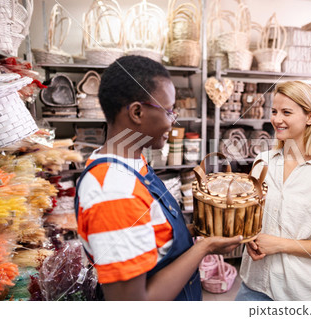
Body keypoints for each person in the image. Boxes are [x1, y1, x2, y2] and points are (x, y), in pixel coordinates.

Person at [75, 55, 242, 301]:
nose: (174, 119)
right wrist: (204, 248)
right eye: (169, 110)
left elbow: (153, 238)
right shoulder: (114, 190)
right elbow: (134, 304)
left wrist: (200, 230)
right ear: (137, 112)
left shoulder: (134, 163)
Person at [236, 81, 311, 301]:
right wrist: (248, 239)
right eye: (274, 111)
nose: (276, 119)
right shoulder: (262, 162)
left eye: (286, 112)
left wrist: (281, 245)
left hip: (301, 294)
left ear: (310, 117)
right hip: (254, 286)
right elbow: (250, 215)